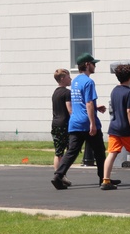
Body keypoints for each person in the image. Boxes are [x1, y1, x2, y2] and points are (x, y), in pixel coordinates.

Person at [50, 53, 117, 190]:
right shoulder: (88, 82)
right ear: (87, 64)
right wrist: (92, 123)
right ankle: (104, 179)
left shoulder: (75, 81)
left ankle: (58, 175)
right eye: (93, 63)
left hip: (75, 122)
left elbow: (78, 101)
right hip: (87, 122)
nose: (95, 66)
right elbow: (88, 103)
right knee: (99, 152)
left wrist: (96, 107)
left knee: (72, 152)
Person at [50, 68, 73, 185]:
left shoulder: (55, 92)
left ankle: (58, 175)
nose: (71, 79)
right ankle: (61, 175)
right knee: (69, 151)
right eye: (69, 77)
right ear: (63, 78)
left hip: (55, 123)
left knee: (58, 152)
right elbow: (70, 110)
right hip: (64, 124)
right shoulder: (67, 93)